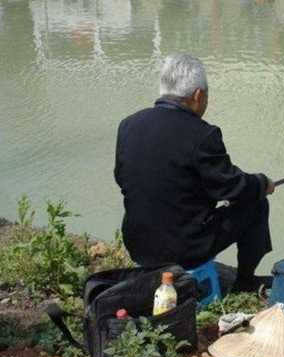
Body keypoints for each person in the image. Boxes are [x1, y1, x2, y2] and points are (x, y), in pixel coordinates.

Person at [114, 53, 275, 292]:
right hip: (184, 250)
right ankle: (245, 281)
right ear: (198, 96)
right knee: (257, 203)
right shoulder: (203, 135)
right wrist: (262, 183)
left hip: (138, 245)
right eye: (206, 96)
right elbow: (231, 188)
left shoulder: (128, 125)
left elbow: (121, 178)